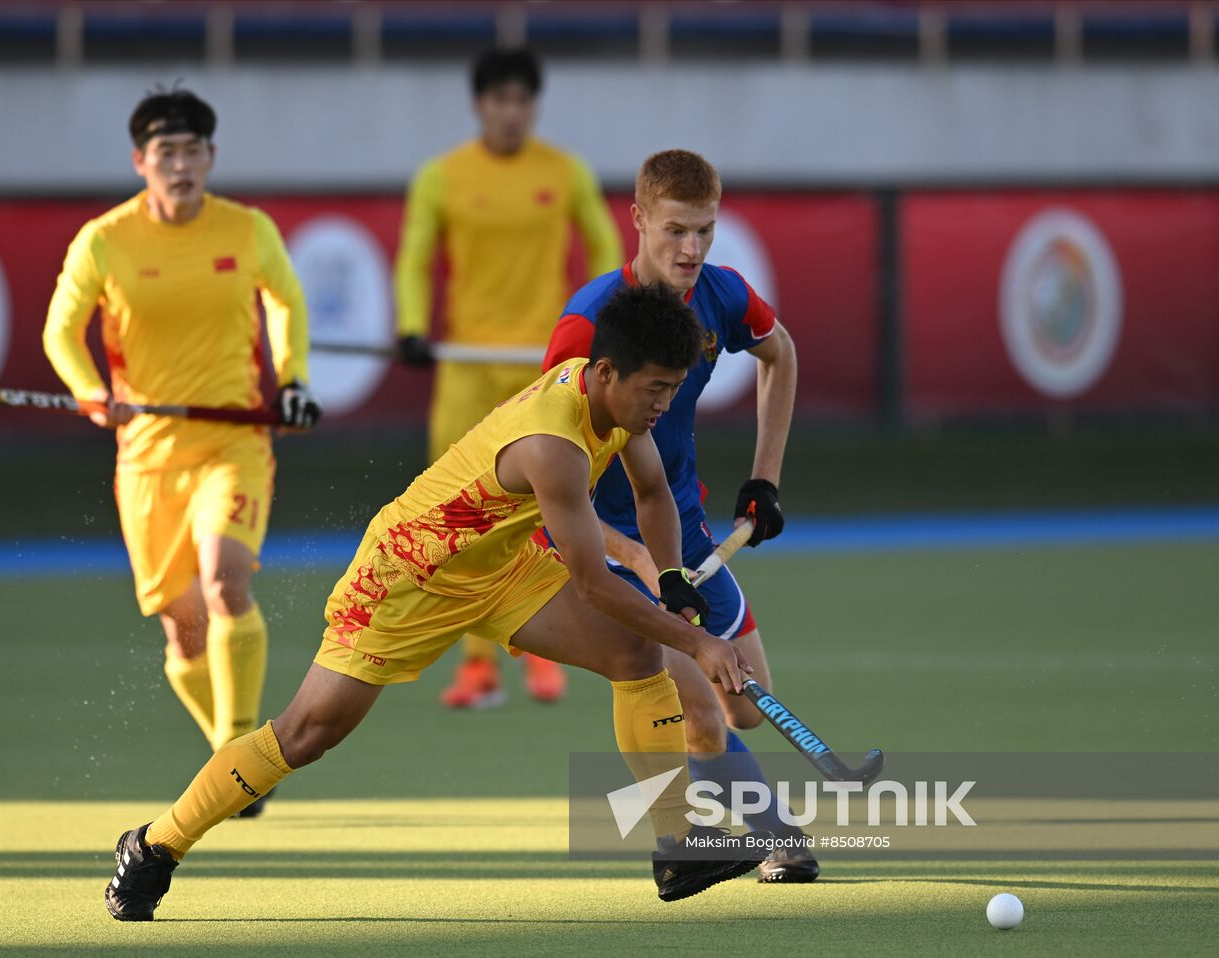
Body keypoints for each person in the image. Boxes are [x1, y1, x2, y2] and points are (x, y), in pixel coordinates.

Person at [104, 284, 765, 922]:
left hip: (497, 565)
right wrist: (702, 642)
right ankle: (155, 844)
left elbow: (652, 493)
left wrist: (673, 576)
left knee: (634, 651)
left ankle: (679, 846)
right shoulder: (553, 443)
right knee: (308, 734)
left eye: (674, 390)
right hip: (408, 575)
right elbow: (595, 583)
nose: (663, 405)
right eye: (655, 390)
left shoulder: (619, 406)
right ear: (604, 372)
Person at [542, 149, 817, 883]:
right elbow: (546, 483)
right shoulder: (586, 327)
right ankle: (772, 840)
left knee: (745, 707)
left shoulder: (721, 296)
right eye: (675, 231)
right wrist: (634, 561)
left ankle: (704, 807)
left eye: (705, 230)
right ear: (636, 221)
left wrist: (765, 479)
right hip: (595, 541)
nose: (691, 250)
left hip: (685, 531)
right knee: (696, 698)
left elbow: (780, 354)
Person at [43, 88, 319, 818]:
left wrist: (291, 380)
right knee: (182, 627)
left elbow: (287, 301)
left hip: (234, 441)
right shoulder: (104, 240)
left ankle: (238, 752)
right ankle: (228, 753)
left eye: (194, 151)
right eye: (166, 153)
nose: (182, 164)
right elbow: (61, 333)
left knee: (226, 580)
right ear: (141, 162)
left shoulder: (248, 230)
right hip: (146, 458)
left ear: (211, 158)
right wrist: (92, 392)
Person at [393, 46, 624, 708]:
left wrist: (599, 321)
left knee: (551, 510)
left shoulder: (566, 172)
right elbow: (413, 259)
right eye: (499, 100)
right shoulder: (442, 177)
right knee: (459, 520)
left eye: (522, 101)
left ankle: (539, 651)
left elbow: (605, 249)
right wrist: (413, 327)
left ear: (534, 107)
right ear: (479, 106)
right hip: (465, 369)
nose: (511, 113)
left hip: (546, 372)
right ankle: (476, 666)